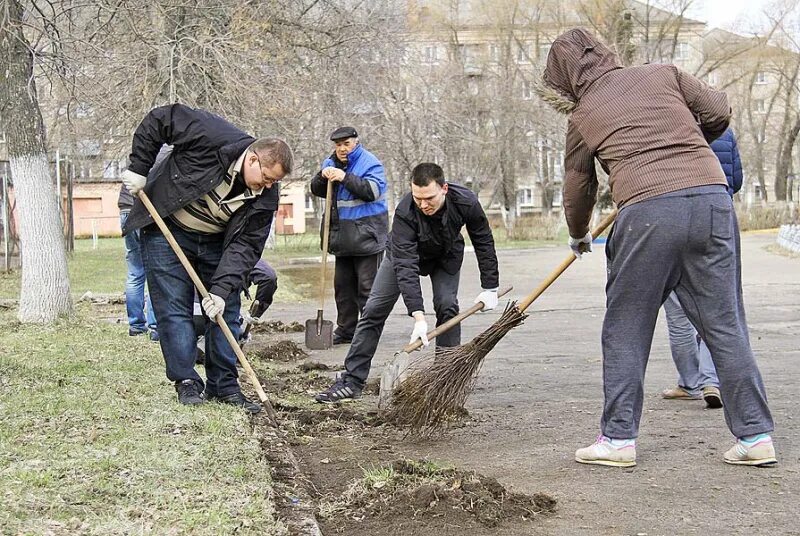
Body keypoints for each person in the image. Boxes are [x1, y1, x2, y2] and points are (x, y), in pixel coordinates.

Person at [539, 28, 775, 467]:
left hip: (646, 214)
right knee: (725, 323)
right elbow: (720, 109)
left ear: (565, 77)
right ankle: (756, 436)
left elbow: (579, 184)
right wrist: (690, 139)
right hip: (712, 201)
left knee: (626, 326)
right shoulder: (664, 74)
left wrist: (578, 232)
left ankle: (618, 441)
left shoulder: (583, 113)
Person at [120, 103, 293, 413]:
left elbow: (246, 246)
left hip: (217, 241)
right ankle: (186, 381)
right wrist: (138, 167)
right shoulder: (213, 135)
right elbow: (162, 118)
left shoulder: (266, 195)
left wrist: (220, 290)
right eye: (266, 177)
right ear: (252, 159)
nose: (268, 187)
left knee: (225, 311)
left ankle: (224, 385)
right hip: (168, 227)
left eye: (273, 182)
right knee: (174, 307)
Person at [315, 162, 500, 403]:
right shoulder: (405, 212)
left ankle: (445, 380)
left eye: (429, 198)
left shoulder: (466, 201)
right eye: (418, 198)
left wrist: (490, 287)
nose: (423, 205)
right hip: (401, 257)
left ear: (444, 188)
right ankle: (351, 381)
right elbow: (406, 267)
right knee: (373, 310)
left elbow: (483, 240)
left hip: (445, 256)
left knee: (447, 306)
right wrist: (418, 316)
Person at [661, 127, 744, 409]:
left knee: (677, 313)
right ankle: (712, 380)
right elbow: (736, 180)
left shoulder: (666, 128)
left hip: (672, 218)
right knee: (717, 308)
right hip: (718, 217)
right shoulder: (724, 132)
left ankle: (689, 382)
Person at [310, 127, 388, 345]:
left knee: (367, 287)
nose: (342, 149)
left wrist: (344, 177)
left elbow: (372, 191)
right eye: (338, 145)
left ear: (356, 142)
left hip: (367, 236)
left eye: (346, 144)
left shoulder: (370, 162)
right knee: (343, 288)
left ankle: (369, 331)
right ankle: (346, 331)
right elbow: (316, 189)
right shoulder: (330, 163)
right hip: (341, 236)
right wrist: (322, 175)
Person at [194, 258, 278, 362]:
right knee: (236, 324)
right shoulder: (240, 255)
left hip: (187, 314)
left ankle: (198, 342)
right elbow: (268, 277)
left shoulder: (196, 248)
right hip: (215, 313)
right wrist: (255, 314)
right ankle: (208, 345)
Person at [118, 184, 157, 340]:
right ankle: (156, 326)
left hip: (126, 210)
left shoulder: (136, 162)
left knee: (135, 272)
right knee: (156, 271)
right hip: (145, 211)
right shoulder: (156, 159)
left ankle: (136, 326)